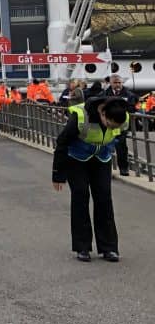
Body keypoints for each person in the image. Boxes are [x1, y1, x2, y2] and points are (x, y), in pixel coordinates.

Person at [52, 94, 130, 262]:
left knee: (104, 199)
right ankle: (82, 247)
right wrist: (58, 174)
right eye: (109, 124)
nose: (111, 127)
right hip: (76, 159)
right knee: (80, 197)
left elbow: (122, 134)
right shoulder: (81, 116)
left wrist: (115, 148)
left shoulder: (122, 116)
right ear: (103, 114)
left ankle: (109, 248)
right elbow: (62, 142)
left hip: (101, 159)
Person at [103, 74, 138, 177]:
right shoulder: (105, 94)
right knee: (105, 146)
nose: (118, 85)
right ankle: (105, 168)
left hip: (121, 125)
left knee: (121, 146)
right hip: (108, 125)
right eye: (115, 83)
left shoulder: (129, 95)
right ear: (111, 83)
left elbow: (132, 108)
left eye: (119, 82)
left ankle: (123, 168)